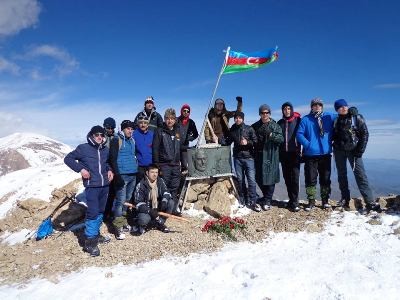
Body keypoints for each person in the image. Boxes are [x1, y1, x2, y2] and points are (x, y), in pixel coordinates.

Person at [64, 125, 113, 257]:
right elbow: (68, 159)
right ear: (91, 135)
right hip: (92, 186)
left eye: (102, 135)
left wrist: (109, 170)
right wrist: (81, 169)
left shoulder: (105, 150)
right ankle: (90, 243)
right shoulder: (83, 148)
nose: (99, 137)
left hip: (104, 186)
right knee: (93, 212)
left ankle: (96, 235)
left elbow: (106, 163)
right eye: (97, 135)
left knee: (101, 212)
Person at [333, 99, 381, 212]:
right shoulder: (335, 120)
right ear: (337, 110)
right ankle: (345, 199)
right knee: (341, 176)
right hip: (339, 151)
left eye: (345, 106)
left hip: (354, 151)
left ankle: (370, 202)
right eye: (340, 107)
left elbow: (365, 134)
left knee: (360, 175)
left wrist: (360, 150)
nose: (344, 108)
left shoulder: (356, 117)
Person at [296, 97, 336, 210]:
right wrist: (308, 145)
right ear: (311, 107)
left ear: (322, 106)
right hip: (310, 155)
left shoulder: (329, 116)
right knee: (310, 179)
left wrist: (349, 111)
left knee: (325, 179)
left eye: (319, 105)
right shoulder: (306, 119)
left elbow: (342, 115)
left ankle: (325, 201)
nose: (317, 106)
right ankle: (311, 201)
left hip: (325, 154)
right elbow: (299, 134)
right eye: (315, 105)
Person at [109, 120, 138, 240]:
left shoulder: (132, 140)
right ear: (123, 129)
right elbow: (112, 159)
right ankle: (118, 227)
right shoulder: (117, 140)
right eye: (128, 129)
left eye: (132, 129)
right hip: (122, 175)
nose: (130, 131)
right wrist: (117, 175)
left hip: (132, 174)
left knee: (126, 200)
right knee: (120, 202)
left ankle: (124, 222)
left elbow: (132, 156)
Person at [252, 104, 284, 210]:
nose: (265, 114)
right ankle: (266, 197)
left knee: (270, 178)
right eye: (262, 113)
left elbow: (281, 139)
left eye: (266, 112)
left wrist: (271, 135)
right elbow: (250, 136)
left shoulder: (275, 126)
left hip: (271, 155)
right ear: (260, 114)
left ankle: (268, 200)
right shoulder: (255, 126)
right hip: (259, 155)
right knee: (258, 177)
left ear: (269, 113)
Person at [229, 111, 260, 212]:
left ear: (243, 119)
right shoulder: (232, 129)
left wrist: (247, 142)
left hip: (249, 158)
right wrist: (219, 140)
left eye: (239, 118)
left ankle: (253, 201)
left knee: (251, 180)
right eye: (236, 118)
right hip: (237, 158)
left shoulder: (249, 128)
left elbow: (256, 142)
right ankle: (243, 200)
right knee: (241, 180)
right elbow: (228, 141)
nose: (237, 119)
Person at [153, 108, 181, 215]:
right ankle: (163, 209)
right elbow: (155, 149)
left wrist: (181, 164)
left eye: (172, 118)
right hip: (164, 165)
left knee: (174, 188)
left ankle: (173, 209)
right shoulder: (160, 131)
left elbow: (179, 148)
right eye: (167, 118)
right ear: (164, 119)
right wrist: (157, 166)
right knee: (164, 188)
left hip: (175, 165)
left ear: (175, 120)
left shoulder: (177, 132)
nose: (170, 121)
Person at [132, 164, 174, 235]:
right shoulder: (141, 185)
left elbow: (166, 192)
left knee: (171, 203)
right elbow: (138, 203)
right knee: (143, 220)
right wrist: (150, 211)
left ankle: (160, 223)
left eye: (156, 172)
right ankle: (142, 225)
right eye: (152, 172)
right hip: (147, 209)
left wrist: (164, 201)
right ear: (147, 173)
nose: (155, 175)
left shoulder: (160, 181)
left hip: (157, 207)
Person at [277, 102, 302, 212]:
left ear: (291, 109)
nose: (286, 111)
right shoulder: (280, 123)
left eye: (288, 108)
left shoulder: (298, 121)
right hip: (283, 154)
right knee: (287, 178)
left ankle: (296, 202)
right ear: (282, 110)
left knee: (295, 178)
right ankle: (291, 200)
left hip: (295, 153)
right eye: (284, 109)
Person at [103, 117, 118, 222]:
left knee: (112, 192)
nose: (110, 129)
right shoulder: (101, 137)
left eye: (112, 127)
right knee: (104, 191)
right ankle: (103, 212)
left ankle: (108, 212)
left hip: (113, 166)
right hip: (103, 167)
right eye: (108, 127)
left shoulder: (116, 137)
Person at [177, 104, 199, 172]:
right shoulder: (176, 120)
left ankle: (184, 180)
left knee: (184, 165)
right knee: (175, 165)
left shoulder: (191, 122)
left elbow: (196, 134)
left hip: (184, 147)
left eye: (188, 111)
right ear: (181, 111)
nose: (186, 112)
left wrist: (190, 138)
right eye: (184, 110)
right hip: (175, 146)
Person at [133, 115, 154, 182]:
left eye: (145, 123)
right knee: (140, 186)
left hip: (150, 166)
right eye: (141, 123)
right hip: (139, 166)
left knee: (150, 186)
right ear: (138, 124)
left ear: (148, 125)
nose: (143, 125)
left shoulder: (152, 134)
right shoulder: (134, 134)